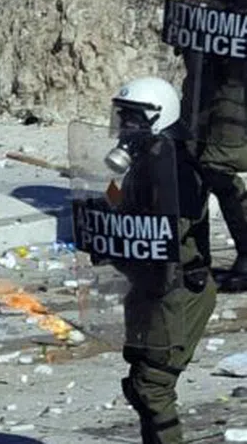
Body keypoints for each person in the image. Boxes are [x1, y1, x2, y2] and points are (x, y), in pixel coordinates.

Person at [95, 77, 215, 444]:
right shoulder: (146, 161)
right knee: (140, 385)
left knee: (153, 387)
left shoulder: (179, 171)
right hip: (150, 285)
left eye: (135, 119)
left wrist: (119, 233)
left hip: (178, 290)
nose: (127, 127)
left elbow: (161, 236)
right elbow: (124, 206)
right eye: (124, 117)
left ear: (159, 120)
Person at [173, 0, 247, 291]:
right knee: (188, 157)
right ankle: (190, 255)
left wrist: (215, 9)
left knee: (219, 162)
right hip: (203, 76)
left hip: (237, 84)